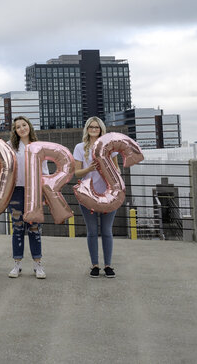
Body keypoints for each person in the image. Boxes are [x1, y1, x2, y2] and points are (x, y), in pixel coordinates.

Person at [73, 116, 119, 278]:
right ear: (87, 129)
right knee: (92, 231)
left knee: (107, 231)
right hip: (88, 195)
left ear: (101, 129)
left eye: (97, 127)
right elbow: (76, 172)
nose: (94, 129)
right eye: (91, 127)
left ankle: (108, 265)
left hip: (108, 194)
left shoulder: (109, 147)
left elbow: (117, 171)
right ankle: (95, 265)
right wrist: (89, 169)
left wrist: (108, 168)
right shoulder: (80, 148)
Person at [7, 116, 47, 279]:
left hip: (34, 192)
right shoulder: (10, 146)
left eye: (24, 125)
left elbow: (44, 170)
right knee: (17, 227)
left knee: (34, 227)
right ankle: (17, 264)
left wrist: (44, 193)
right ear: (15, 131)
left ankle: (38, 265)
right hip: (16, 191)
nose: (22, 128)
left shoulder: (38, 146)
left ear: (29, 126)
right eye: (18, 127)